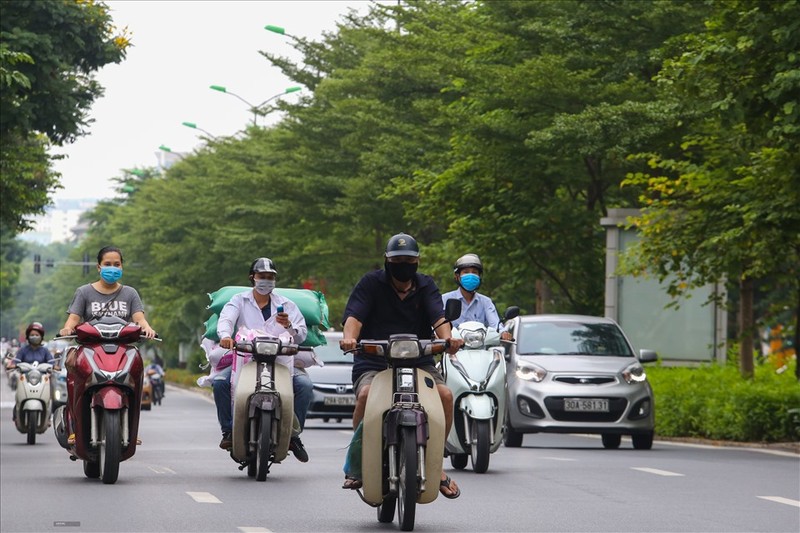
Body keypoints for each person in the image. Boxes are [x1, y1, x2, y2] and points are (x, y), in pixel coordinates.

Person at [339, 232, 463, 498]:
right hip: (374, 360)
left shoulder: (426, 285)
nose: (403, 264)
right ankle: (359, 463)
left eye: (409, 259)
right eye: (398, 259)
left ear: (417, 262)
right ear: (387, 260)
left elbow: (439, 319)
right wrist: (350, 338)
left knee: (445, 395)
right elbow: (354, 316)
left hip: (419, 361)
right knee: (365, 395)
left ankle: (436, 464)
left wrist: (448, 339)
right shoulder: (370, 283)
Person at [215, 257, 313, 462]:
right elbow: (226, 319)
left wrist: (288, 326)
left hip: (281, 361)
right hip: (246, 358)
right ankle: (228, 431)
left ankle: (293, 435)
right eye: (262, 276)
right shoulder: (239, 301)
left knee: (304, 385)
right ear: (253, 278)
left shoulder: (286, 305)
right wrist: (225, 336)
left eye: (270, 277)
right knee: (220, 383)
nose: (266, 281)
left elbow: (301, 334)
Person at [59, 245, 156, 443]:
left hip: (123, 350)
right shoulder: (84, 292)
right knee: (74, 377)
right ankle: (75, 426)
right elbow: (73, 320)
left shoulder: (130, 294)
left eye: (117, 264)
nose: (112, 268)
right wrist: (67, 329)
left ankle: (131, 427)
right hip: (90, 350)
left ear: (122, 267)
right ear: (98, 267)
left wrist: (147, 328)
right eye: (107, 264)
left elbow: (139, 319)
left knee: (135, 377)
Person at [441, 253, 512, 341]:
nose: (470, 275)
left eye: (474, 272)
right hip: (452, 351)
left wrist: (503, 332)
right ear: (457, 276)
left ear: (479, 277)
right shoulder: (444, 300)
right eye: (466, 272)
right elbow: (437, 324)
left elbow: (495, 323)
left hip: (481, 349)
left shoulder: (486, 302)